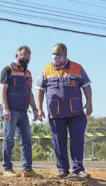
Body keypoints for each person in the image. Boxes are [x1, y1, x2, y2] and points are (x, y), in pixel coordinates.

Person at [36, 43, 92, 178]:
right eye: (53, 54)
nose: (55, 57)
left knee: (77, 141)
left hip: (76, 113)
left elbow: (86, 86)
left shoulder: (77, 68)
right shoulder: (46, 70)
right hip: (55, 113)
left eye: (58, 54)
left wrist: (89, 102)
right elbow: (39, 90)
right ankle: (62, 169)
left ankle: (78, 170)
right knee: (58, 142)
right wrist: (39, 108)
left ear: (65, 54)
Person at [0, 45, 39, 177]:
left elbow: (30, 93)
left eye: (28, 56)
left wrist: (35, 109)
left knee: (26, 140)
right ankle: (7, 169)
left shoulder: (28, 73)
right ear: (17, 55)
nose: (25, 58)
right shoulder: (8, 70)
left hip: (23, 112)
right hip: (10, 110)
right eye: (23, 55)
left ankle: (27, 169)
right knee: (9, 139)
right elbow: (3, 90)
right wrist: (5, 109)